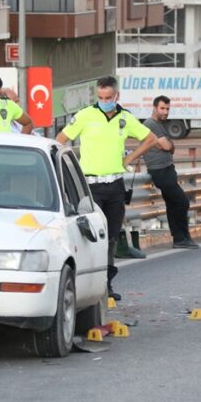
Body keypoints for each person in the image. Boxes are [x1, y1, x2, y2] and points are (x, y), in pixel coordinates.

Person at [56, 76, 159, 301]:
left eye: (108, 97)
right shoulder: (85, 115)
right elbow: (60, 139)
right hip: (90, 187)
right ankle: (86, 284)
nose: (104, 101)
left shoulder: (125, 118)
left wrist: (129, 158)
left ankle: (106, 285)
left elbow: (151, 139)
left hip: (115, 185)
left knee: (111, 237)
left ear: (116, 96)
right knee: (91, 238)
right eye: (101, 97)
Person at [141, 96, 198, 249]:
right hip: (159, 170)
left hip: (167, 168)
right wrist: (168, 145)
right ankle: (181, 237)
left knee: (173, 204)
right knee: (182, 202)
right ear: (154, 108)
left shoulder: (160, 125)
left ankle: (181, 238)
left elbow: (169, 147)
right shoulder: (150, 124)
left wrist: (168, 145)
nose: (165, 112)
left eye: (167, 109)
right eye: (162, 108)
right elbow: (167, 146)